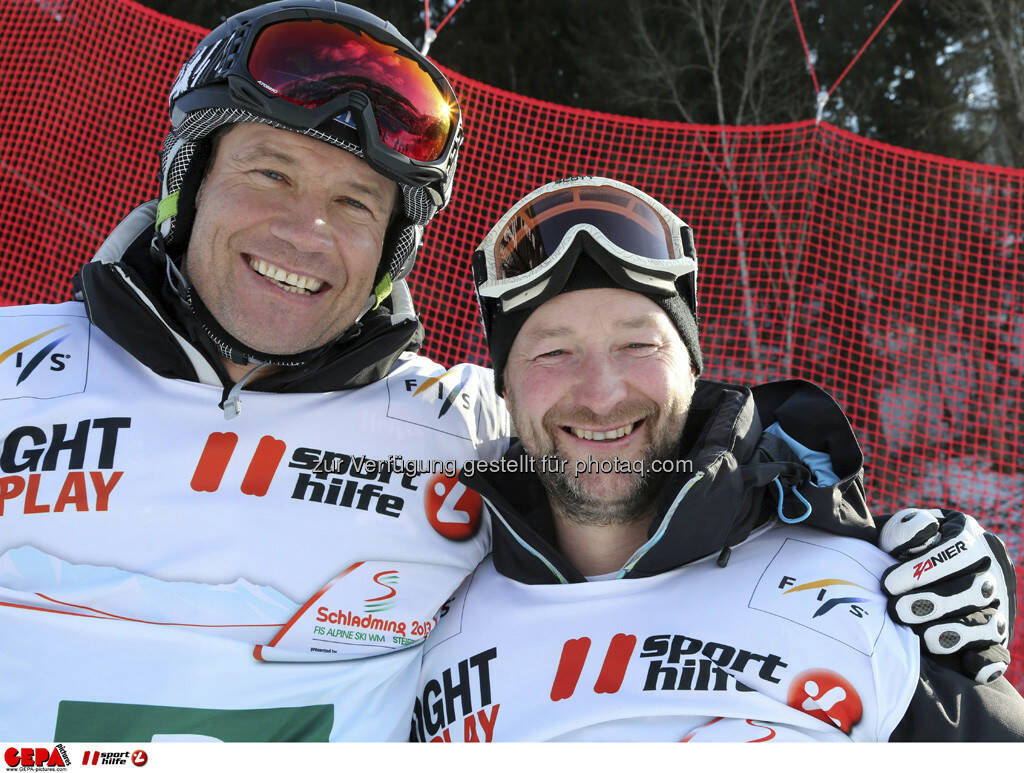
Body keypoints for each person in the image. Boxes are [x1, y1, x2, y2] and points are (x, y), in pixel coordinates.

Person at [0, 2, 1011, 742]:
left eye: (356, 203)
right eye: (269, 172)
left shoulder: (463, 428)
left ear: (392, 250)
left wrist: (908, 558)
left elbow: (661, 463)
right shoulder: (14, 366)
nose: (307, 232)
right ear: (186, 183)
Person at [411, 177, 1024, 741]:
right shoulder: (420, 609)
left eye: (637, 344)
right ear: (506, 389)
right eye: (553, 353)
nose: (601, 395)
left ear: (692, 368)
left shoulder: (859, 595)